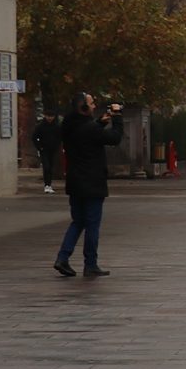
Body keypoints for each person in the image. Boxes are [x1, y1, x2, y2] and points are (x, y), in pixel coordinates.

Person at [54, 92, 123, 278]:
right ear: (83, 108)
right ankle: (90, 263)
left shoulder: (69, 126)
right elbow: (114, 138)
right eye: (91, 104)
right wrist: (117, 118)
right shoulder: (90, 129)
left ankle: (63, 257)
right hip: (92, 182)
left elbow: (85, 133)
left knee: (78, 221)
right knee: (92, 224)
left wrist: (99, 122)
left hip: (75, 181)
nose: (94, 106)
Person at [32, 109, 62, 193]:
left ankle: (49, 184)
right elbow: (34, 137)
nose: (50, 118)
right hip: (44, 149)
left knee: (51, 167)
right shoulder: (40, 126)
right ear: (45, 116)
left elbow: (60, 137)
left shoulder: (57, 126)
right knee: (46, 167)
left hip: (53, 149)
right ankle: (47, 185)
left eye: (51, 116)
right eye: (48, 116)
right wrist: (39, 147)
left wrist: (57, 146)